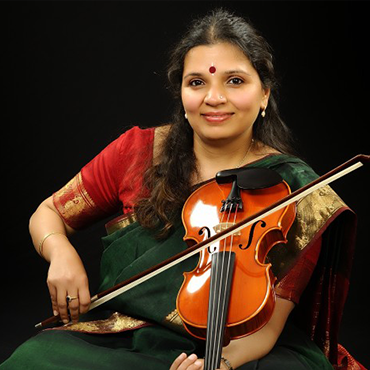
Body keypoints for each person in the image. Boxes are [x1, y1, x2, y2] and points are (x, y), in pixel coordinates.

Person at [0, 8, 364, 370]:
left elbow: (265, 330)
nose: (214, 98)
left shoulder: (295, 188)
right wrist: (60, 252)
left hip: (239, 347)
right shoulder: (137, 152)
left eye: (234, 81)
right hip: (130, 339)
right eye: (197, 82)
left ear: (265, 94)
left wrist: (216, 366)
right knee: (34, 360)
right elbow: (47, 214)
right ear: (181, 94)